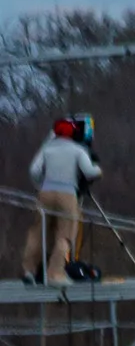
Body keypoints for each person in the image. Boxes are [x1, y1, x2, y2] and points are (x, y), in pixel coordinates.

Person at [19, 116, 102, 285]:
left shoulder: (47, 149)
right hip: (67, 194)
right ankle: (54, 274)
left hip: (45, 193)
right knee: (65, 236)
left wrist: (40, 185)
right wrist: (98, 169)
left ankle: (29, 271)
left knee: (37, 232)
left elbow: (34, 170)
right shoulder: (77, 150)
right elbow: (89, 172)